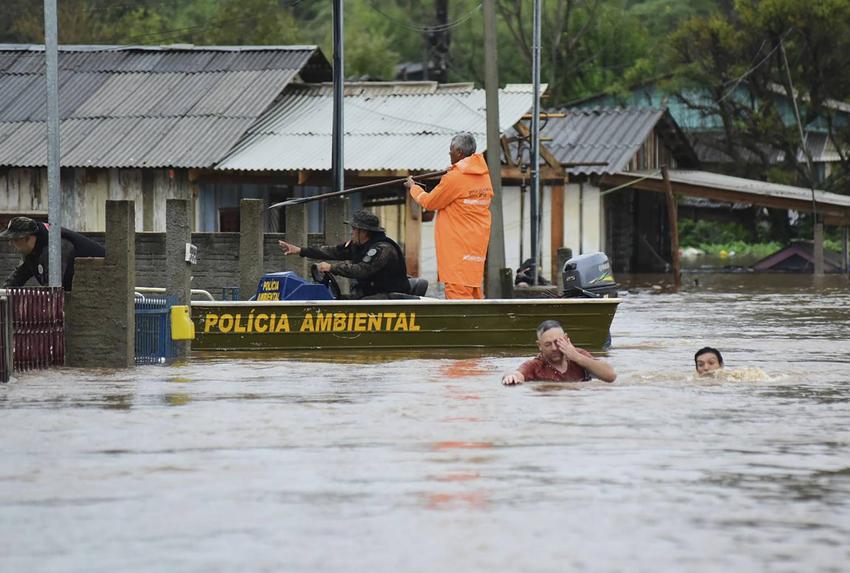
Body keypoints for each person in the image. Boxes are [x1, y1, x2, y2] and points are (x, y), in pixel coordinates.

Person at [404, 132, 493, 300]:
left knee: (458, 297)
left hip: (457, 248)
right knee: (473, 292)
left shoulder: (455, 178)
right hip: (475, 247)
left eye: (451, 150)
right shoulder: (483, 176)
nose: (449, 153)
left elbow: (430, 202)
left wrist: (413, 188)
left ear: (459, 152)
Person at [277, 209, 410, 299]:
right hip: (370, 294)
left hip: (391, 297)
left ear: (364, 232)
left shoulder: (383, 249)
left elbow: (362, 270)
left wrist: (331, 268)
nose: (351, 232)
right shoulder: (358, 246)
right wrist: (300, 250)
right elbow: (333, 251)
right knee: (339, 300)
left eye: (354, 229)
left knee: (358, 306)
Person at [1, 216, 105, 292]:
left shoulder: (55, 246)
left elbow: (53, 289)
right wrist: (3, 294)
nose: (10, 243)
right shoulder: (33, 248)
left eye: (14, 239)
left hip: (101, 285)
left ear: (28, 237)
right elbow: (18, 276)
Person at [502, 320, 617, 385]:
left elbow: (610, 376)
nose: (554, 348)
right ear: (539, 346)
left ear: (566, 339)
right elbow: (517, 374)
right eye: (548, 344)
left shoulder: (578, 355)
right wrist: (510, 377)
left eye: (558, 342)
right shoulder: (536, 366)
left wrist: (577, 357)